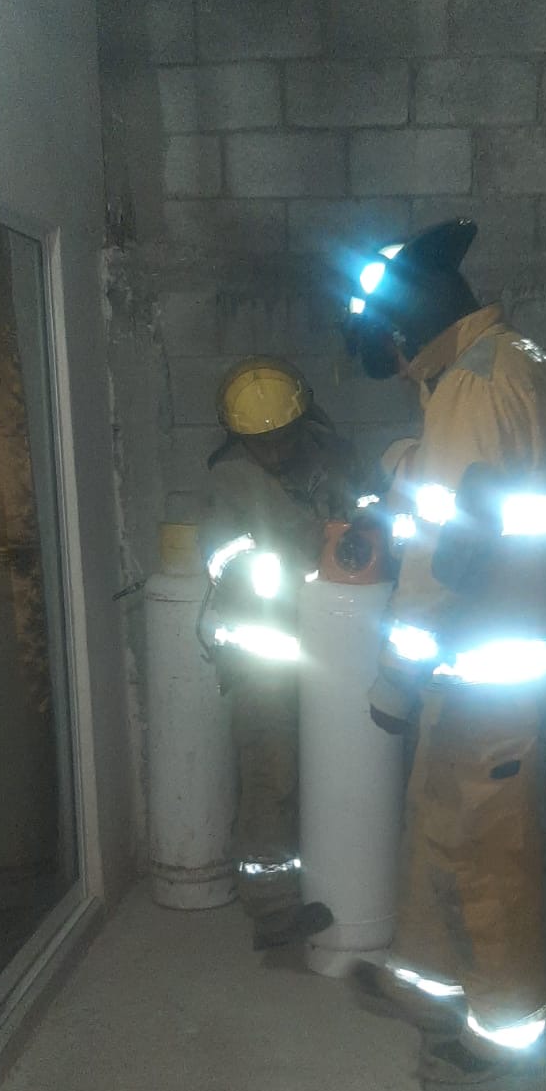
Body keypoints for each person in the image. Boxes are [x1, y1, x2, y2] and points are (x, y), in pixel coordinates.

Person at [342, 221, 546, 1082]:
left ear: (410, 326)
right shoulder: (517, 364)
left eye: (395, 350)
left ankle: (502, 1031)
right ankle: (428, 979)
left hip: (486, 658)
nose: (400, 366)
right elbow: (497, 486)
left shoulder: (474, 388)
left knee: (483, 846)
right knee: (437, 818)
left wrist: (393, 681)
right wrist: (407, 462)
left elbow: (448, 560)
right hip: (489, 651)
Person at [200, 356, 364, 949]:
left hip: (339, 647)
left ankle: (344, 885)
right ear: (238, 438)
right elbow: (228, 563)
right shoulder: (228, 481)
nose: (272, 452)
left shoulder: (335, 459)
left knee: (341, 772)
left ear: (301, 423)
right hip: (265, 657)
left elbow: (369, 523)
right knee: (272, 775)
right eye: (258, 442)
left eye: (282, 438)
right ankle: (272, 911)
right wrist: (304, 557)